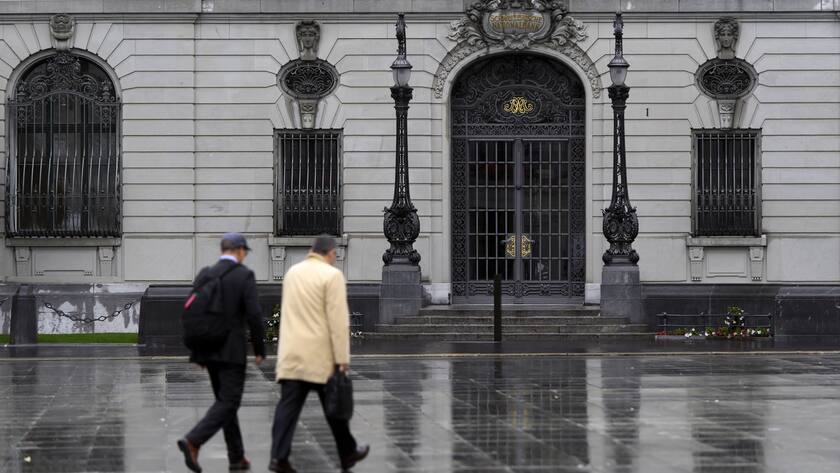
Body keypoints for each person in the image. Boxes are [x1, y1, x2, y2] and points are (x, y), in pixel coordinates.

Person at [269, 236, 369, 473]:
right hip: (319, 356)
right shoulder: (331, 276)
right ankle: (347, 454)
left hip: (292, 354)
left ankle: (278, 457)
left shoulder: (293, 273)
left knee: (287, 409)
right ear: (331, 253)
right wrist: (342, 359)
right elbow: (338, 322)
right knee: (335, 408)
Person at [177, 232, 267, 473]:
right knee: (229, 402)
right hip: (231, 351)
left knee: (225, 402)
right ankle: (193, 440)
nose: (245, 256)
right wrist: (260, 349)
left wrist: (198, 351)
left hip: (208, 349)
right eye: (245, 252)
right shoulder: (243, 275)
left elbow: (194, 313)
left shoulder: (205, 273)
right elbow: (254, 315)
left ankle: (237, 456)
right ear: (238, 250)